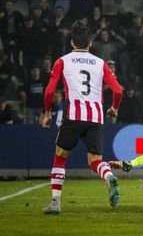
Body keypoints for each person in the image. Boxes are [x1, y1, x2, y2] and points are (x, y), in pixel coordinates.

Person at [41, 22, 123, 214]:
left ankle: (55, 203)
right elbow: (118, 90)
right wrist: (113, 108)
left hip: (73, 114)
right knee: (95, 161)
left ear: (71, 42)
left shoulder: (62, 61)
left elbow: (49, 91)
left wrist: (47, 113)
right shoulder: (100, 63)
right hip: (95, 116)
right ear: (91, 43)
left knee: (60, 157)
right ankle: (109, 176)